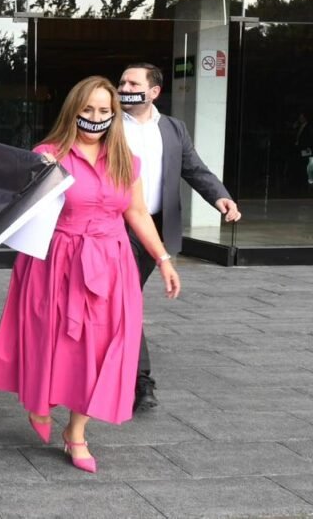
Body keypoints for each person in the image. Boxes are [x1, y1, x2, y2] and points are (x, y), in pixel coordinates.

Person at [0, 75, 181, 474]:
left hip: (111, 264)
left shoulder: (126, 160)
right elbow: (16, 206)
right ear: (73, 111)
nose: (96, 116)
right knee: (52, 341)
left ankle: (76, 433)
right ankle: (40, 402)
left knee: (101, 349)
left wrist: (163, 259)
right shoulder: (48, 154)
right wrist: (34, 177)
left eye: (105, 110)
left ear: (114, 113)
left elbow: (137, 212)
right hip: (57, 262)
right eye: (88, 109)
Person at [117, 63, 241, 412]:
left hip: (155, 228)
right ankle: (140, 380)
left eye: (133, 83)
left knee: (124, 298)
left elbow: (194, 168)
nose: (124, 88)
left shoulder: (173, 128)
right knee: (126, 297)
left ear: (154, 91)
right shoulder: (108, 124)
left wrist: (219, 196)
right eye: (122, 82)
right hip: (115, 227)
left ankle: (127, 375)